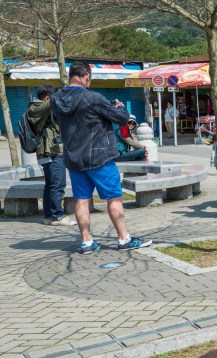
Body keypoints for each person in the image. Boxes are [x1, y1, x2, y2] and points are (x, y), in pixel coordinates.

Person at [50, 61, 151, 254]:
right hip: (99, 157)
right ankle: (124, 239)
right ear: (86, 76)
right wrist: (121, 108)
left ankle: (87, 242)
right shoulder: (92, 98)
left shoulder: (56, 99)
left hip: (74, 158)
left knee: (81, 199)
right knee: (114, 198)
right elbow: (121, 118)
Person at [27, 84, 73, 226]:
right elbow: (49, 104)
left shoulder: (46, 110)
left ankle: (49, 216)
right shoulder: (35, 108)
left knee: (51, 184)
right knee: (57, 184)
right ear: (47, 97)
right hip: (50, 152)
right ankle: (57, 216)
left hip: (51, 151)